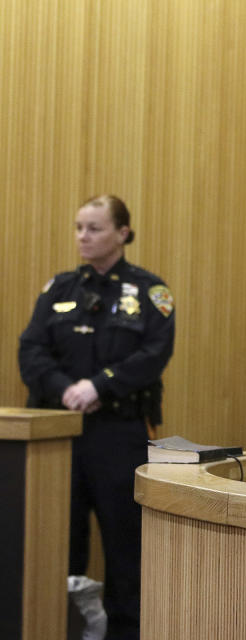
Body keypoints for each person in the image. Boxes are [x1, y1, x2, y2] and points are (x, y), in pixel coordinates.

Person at [19, 194, 175, 639]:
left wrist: (99, 385)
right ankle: (56, 627)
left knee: (124, 545)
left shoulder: (150, 291)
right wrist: (62, 387)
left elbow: (153, 354)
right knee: (57, 542)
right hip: (59, 432)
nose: (82, 237)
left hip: (118, 432)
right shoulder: (59, 290)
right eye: (78, 227)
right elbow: (30, 349)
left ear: (122, 233)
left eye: (94, 228)